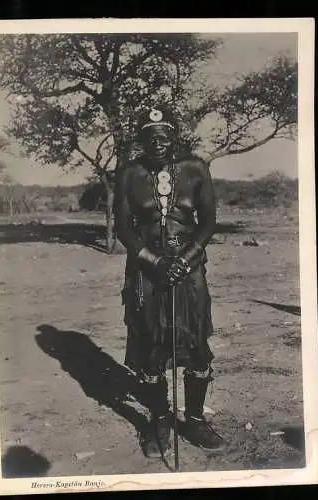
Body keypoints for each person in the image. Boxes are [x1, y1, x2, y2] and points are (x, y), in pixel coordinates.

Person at [114, 106, 224, 458]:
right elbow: (124, 227)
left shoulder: (196, 169)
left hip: (189, 271)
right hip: (147, 272)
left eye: (164, 136)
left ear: (175, 136)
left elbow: (208, 222)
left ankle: (194, 420)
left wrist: (185, 260)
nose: (158, 143)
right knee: (151, 347)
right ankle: (159, 421)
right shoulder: (130, 174)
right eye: (150, 136)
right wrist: (155, 261)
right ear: (142, 140)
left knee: (194, 343)